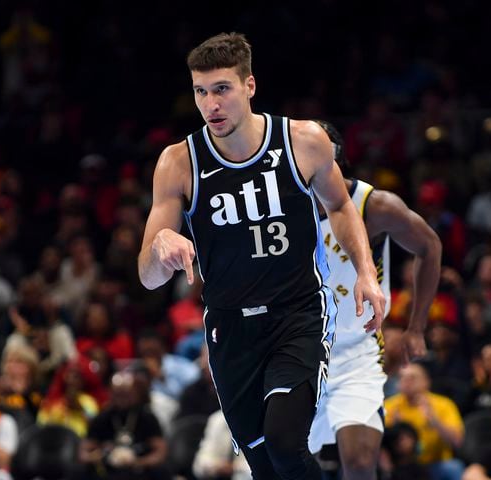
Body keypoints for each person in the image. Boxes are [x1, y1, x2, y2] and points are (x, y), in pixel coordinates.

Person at [138, 32, 384, 479]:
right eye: (200, 92)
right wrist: (159, 246)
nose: (211, 104)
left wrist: (366, 273)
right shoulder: (179, 163)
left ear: (249, 86)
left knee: (286, 443)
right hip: (230, 327)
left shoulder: (303, 140)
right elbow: (148, 277)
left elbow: (341, 205)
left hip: (297, 314)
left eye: (222, 89)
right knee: (264, 466)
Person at [308, 121, 441, 480]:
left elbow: (429, 247)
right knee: (286, 464)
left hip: (356, 353)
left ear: (333, 159)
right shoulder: (279, 209)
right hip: (297, 352)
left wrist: (416, 328)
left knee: (361, 460)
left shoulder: (373, 205)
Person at [384, 362, 465, 480]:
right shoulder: (389, 406)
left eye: (412, 378)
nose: (407, 381)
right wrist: (394, 430)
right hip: (401, 466)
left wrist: (435, 422)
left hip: (435, 464)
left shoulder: (443, 404)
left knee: (453, 467)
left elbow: (457, 442)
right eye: (402, 377)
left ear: (426, 381)